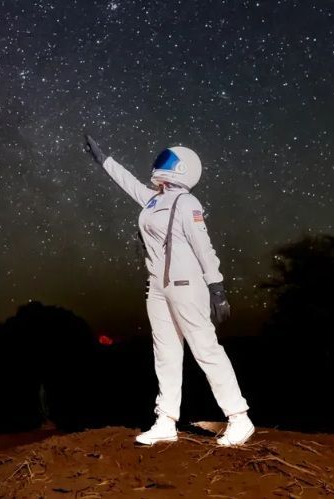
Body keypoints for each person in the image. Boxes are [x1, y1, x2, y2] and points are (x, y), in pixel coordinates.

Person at [84, 134, 254, 447]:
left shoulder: (187, 202)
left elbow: (204, 246)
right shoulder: (153, 200)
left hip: (187, 286)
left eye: (168, 162)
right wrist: (104, 160)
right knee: (165, 354)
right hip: (158, 288)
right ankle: (165, 420)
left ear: (183, 169)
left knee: (205, 350)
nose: (160, 165)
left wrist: (216, 286)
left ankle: (239, 416)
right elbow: (129, 183)